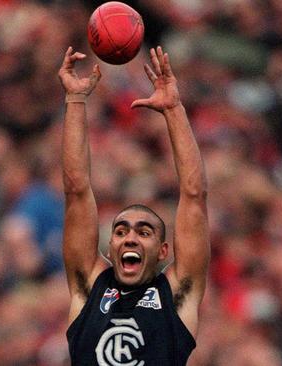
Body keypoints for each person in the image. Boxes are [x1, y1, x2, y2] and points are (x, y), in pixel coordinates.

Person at [58, 45, 209, 365]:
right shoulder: (89, 287)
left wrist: (174, 109)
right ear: (110, 247)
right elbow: (76, 191)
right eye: (121, 230)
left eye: (144, 232)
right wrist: (75, 99)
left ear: (164, 251)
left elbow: (194, 196)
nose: (130, 238)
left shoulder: (177, 295)